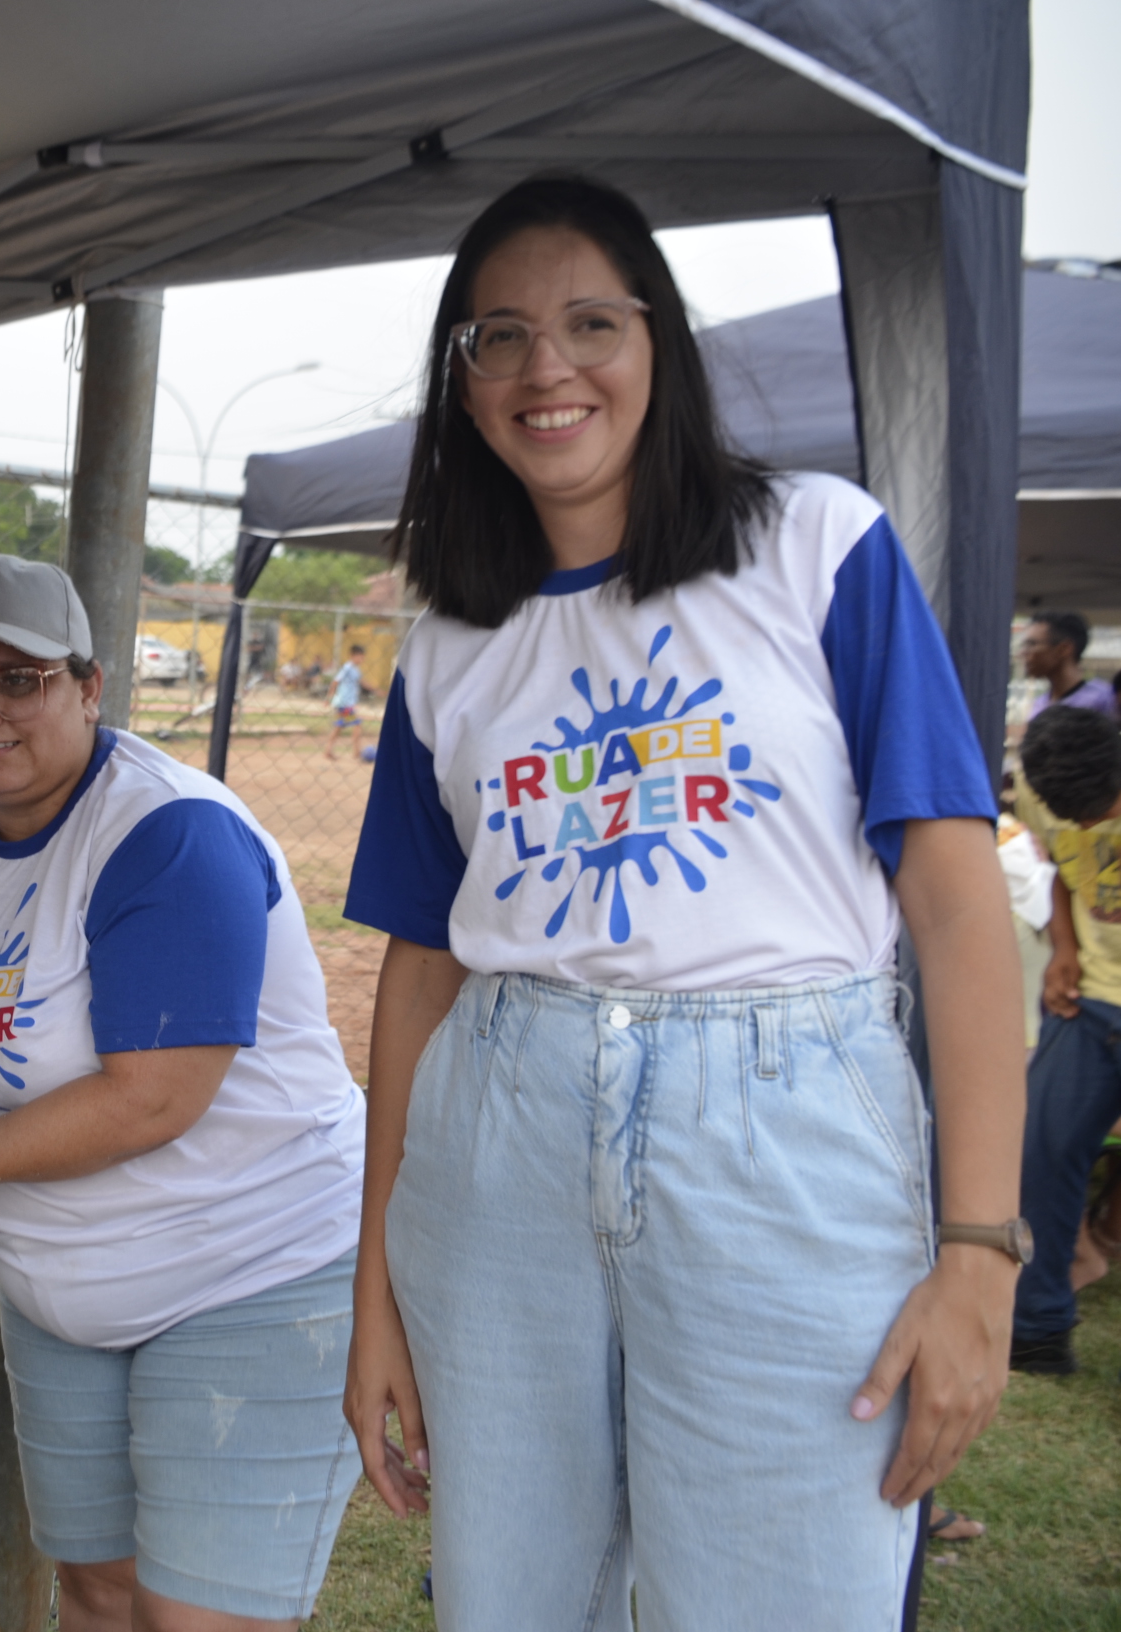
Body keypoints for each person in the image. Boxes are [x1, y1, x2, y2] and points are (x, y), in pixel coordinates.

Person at [339, 177, 1023, 1630]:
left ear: (661, 345)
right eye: (500, 336)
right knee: (512, 1603)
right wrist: (374, 1295)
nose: (548, 368)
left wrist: (979, 1252)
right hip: (499, 1147)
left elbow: (960, 912)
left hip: (782, 1132)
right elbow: (420, 967)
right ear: (460, 384)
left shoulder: (816, 545)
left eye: (592, 322)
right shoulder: (446, 646)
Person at [0, 554, 368, 1632]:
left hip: (252, 1268)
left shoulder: (167, 833)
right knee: (93, 1589)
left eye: (17, 680)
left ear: (89, 687)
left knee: (192, 1618)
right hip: (66, 1298)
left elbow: (152, 1100)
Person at [1010, 703, 1121, 1375]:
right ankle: (1039, 1327)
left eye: (1101, 811)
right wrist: (1063, 948)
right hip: (1087, 1005)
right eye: (1073, 816)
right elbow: (1053, 866)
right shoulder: (1042, 794)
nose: (1087, 827)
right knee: (1041, 1153)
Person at [1021, 612, 1118, 721]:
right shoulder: (1039, 704)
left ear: (1064, 649)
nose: (1023, 652)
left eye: (1032, 644)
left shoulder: (1103, 699)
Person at [325, 643, 366, 758]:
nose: (362, 659)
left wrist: (377, 691)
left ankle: (328, 750)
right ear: (353, 655)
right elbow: (335, 681)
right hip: (344, 703)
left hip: (348, 703)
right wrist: (329, 698)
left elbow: (362, 682)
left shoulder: (356, 670)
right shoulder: (347, 667)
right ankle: (357, 752)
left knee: (339, 727)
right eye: (360, 656)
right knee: (357, 725)